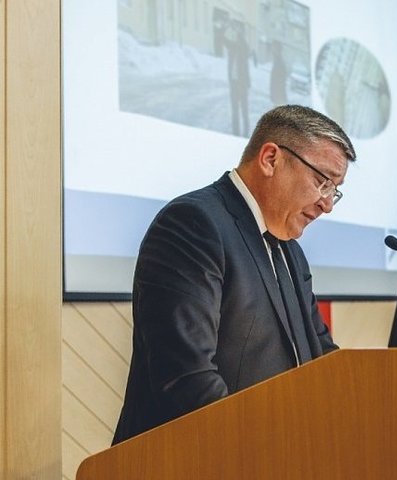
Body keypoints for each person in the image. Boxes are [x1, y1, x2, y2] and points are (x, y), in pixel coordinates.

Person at [113, 105, 356, 444]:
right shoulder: (193, 224)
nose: (326, 204)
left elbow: (320, 356)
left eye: (334, 191)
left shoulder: (290, 252)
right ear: (270, 159)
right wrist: (263, 449)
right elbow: (188, 377)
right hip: (193, 455)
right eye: (322, 182)